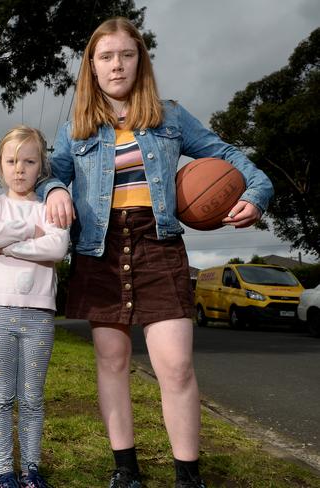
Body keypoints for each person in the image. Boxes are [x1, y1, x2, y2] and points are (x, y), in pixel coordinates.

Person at [37, 17, 274, 488]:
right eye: (105, 57)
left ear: (140, 61)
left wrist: (257, 192)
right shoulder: (76, 128)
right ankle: (125, 471)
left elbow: (228, 156)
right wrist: (54, 189)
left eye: (126, 54)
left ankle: (188, 476)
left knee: (177, 365)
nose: (117, 64)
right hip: (99, 248)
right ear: (92, 66)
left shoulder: (170, 116)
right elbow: (50, 173)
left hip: (158, 244)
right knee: (112, 362)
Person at [0, 126, 70, 488]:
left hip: (39, 315)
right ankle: (4, 473)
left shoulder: (51, 208)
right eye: (12, 161)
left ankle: (31, 469)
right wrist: (29, 232)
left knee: (32, 398)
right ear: (0, 165)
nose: (19, 168)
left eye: (29, 161)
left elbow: (57, 249)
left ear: (41, 165)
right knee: (1, 397)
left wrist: (7, 243)